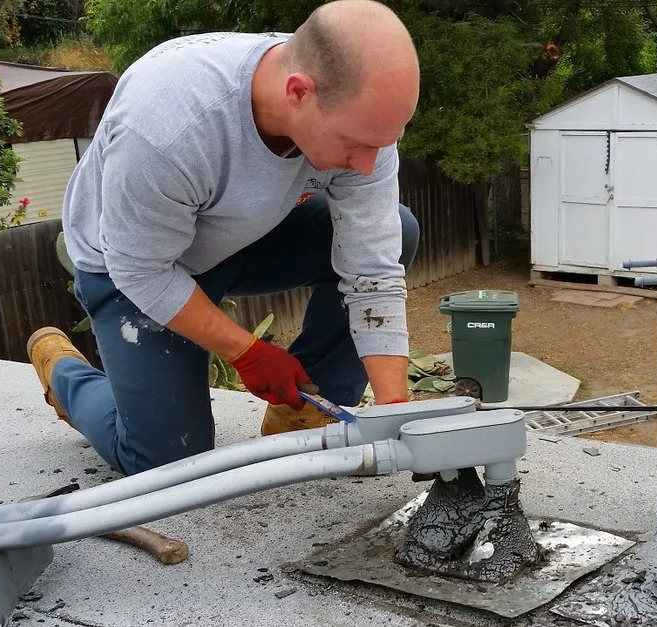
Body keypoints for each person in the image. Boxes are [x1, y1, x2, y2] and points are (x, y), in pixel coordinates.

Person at [25, 0, 421, 476]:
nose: (367, 165)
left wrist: (396, 409)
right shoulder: (167, 128)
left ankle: (307, 413)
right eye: (357, 145)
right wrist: (248, 352)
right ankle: (68, 376)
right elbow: (142, 270)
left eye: (382, 142)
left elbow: (372, 266)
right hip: (132, 266)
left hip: (241, 237)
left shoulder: (360, 112)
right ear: (299, 93)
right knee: (168, 463)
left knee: (399, 229)